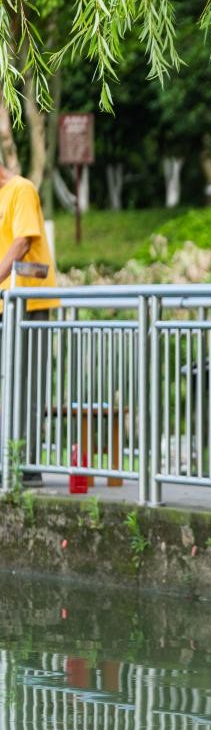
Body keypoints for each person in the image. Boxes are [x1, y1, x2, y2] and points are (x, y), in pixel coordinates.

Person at [0, 164, 60, 488]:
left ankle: (28, 466)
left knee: (27, 384)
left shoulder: (20, 189)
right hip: (4, 304)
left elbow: (22, 241)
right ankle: (7, 460)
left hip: (29, 304)